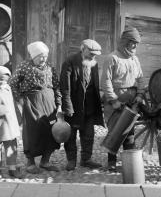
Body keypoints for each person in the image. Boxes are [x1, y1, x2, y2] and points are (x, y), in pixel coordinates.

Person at [9, 41, 62, 174]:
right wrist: (20, 99)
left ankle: (45, 161)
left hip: (49, 103)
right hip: (32, 102)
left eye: (45, 56)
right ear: (33, 56)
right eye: (40, 56)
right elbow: (13, 83)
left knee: (51, 130)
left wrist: (59, 104)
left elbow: (56, 86)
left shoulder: (49, 67)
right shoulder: (24, 66)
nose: (44, 59)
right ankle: (30, 162)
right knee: (33, 131)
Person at [101, 27, 144, 171]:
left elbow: (141, 80)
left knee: (129, 131)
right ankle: (111, 161)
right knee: (115, 131)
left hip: (131, 101)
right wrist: (113, 100)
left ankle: (129, 162)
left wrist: (139, 95)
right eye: (133, 42)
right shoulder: (112, 58)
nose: (135, 46)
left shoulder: (135, 59)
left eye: (137, 43)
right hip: (116, 102)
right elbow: (106, 81)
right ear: (125, 42)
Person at [60, 39, 104, 171]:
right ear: (83, 49)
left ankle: (86, 159)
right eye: (91, 53)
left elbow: (95, 84)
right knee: (71, 135)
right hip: (74, 105)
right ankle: (71, 160)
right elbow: (65, 87)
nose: (93, 57)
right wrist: (67, 106)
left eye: (95, 55)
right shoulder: (70, 62)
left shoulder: (93, 63)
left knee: (88, 134)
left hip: (89, 105)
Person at [0, 66, 22, 178]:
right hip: (1, 124)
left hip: (10, 124)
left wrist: (19, 119)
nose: (2, 83)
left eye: (4, 81)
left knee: (11, 146)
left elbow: (13, 105)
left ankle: (12, 167)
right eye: (0, 80)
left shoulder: (8, 88)